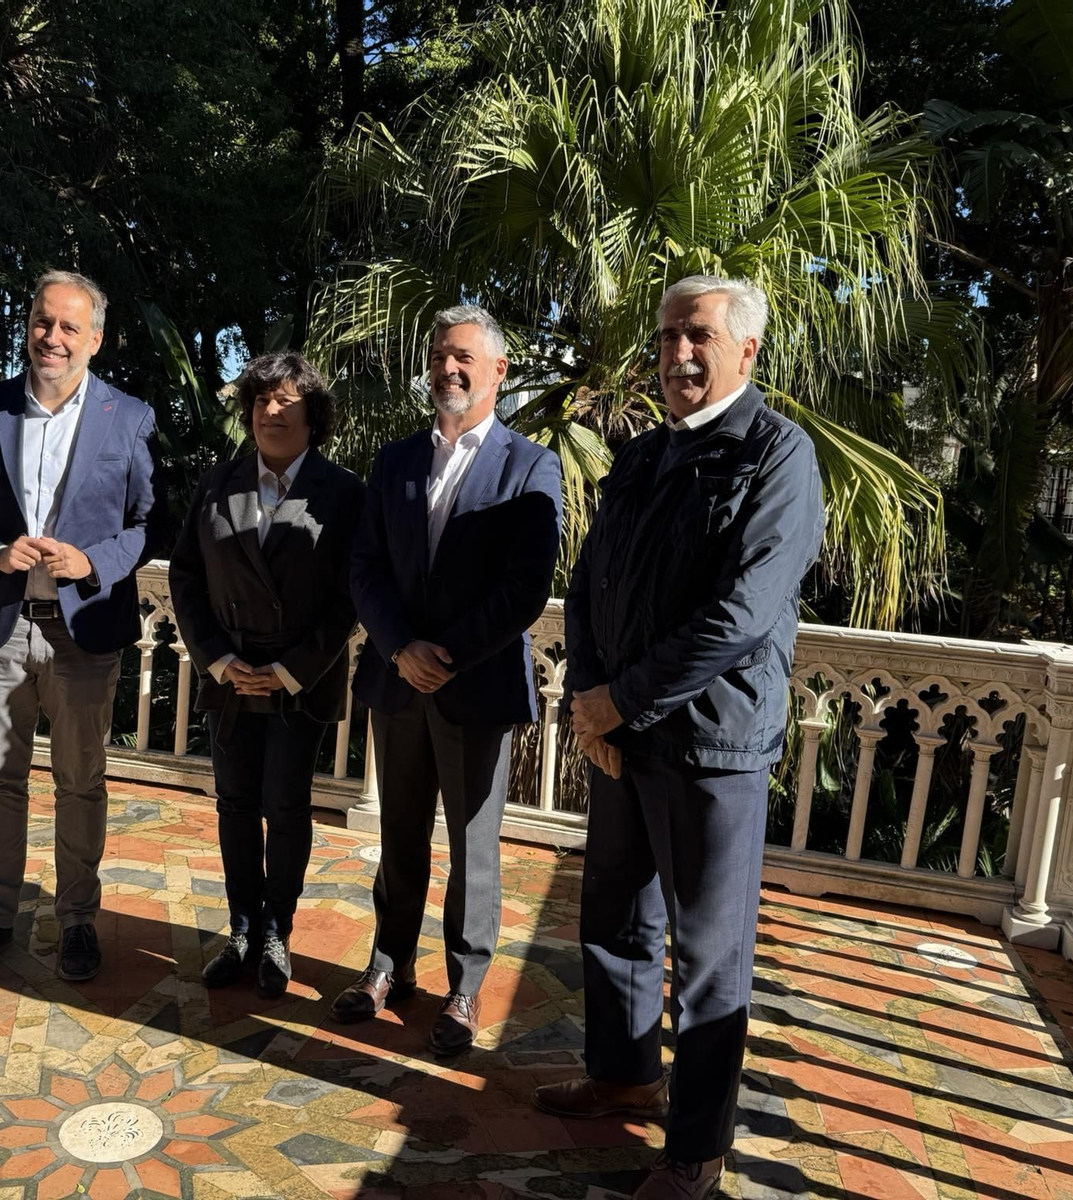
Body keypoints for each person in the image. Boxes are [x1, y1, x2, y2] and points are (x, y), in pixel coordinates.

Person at [534, 275, 824, 1199]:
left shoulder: (778, 456)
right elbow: (589, 583)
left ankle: (696, 1147)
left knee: (708, 956)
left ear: (745, 349)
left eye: (696, 335)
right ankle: (624, 1071)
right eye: (665, 338)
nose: (676, 354)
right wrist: (589, 695)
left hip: (710, 747)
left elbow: (741, 612)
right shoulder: (644, 454)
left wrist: (624, 702)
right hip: (623, 735)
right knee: (615, 917)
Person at [332, 304, 562, 1056]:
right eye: (437, 357)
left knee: (473, 845)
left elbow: (525, 588)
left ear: (498, 370)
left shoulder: (531, 465)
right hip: (398, 683)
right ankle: (387, 966)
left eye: (462, 357)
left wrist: (445, 654)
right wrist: (401, 649)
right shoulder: (396, 460)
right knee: (399, 833)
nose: (447, 370)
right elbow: (362, 566)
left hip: (474, 686)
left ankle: (464, 987)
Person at [0, 269, 159, 985]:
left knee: (82, 781)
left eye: (67, 326)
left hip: (83, 630)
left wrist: (92, 561)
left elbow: (148, 524)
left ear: (95, 339)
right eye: (41, 321)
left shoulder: (130, 417)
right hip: (2, 624)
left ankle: (78, 921)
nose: (51, 337)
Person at [169, 353, 365, 998]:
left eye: (285, 401)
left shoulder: (344, 494)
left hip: (297, 680)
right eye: (260, 401)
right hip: (228, 675)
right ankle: (242, 930)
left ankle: (277, 931)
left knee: (285, 809)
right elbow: (187, 577)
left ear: (314, 415)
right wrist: (220, 660)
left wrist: (286, 670)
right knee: (234, 807)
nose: (271, 412)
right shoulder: (216, 484)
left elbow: (349, 596)